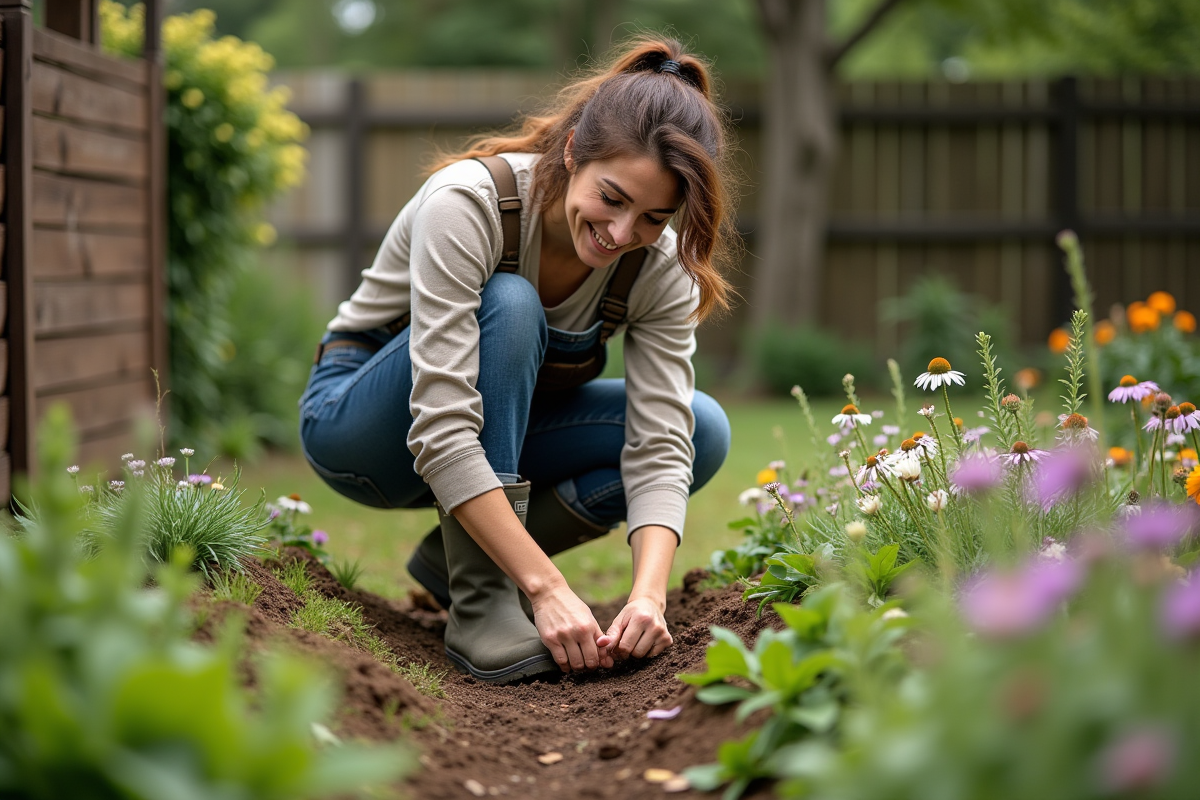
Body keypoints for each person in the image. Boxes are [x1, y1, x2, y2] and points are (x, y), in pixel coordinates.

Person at [299, 35, 738, 684]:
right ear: (571, 152)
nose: (622, 235)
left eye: (652, 217)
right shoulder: (470, 204)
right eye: (612, 198)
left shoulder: (660, 265)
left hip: (500, 429)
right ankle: (480, 602)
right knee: (510, 303)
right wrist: (546, 586)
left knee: (702, 431)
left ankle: (450, 566)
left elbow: (659, 445)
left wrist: (650, 595)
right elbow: (443, 425)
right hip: (365, 430)